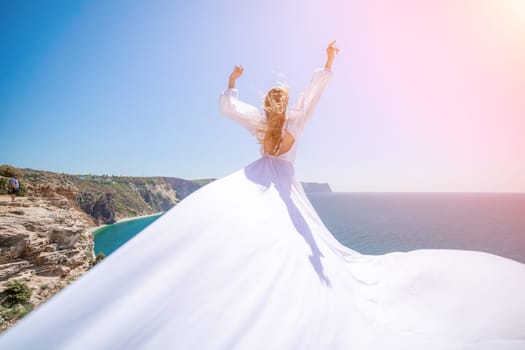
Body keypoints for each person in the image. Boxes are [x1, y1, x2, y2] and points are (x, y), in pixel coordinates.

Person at [1, 41, 525, 350]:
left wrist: (230, 82)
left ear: (265, 103)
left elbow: (229, 109)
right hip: (287, 192)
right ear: (287, 102)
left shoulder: (260, 121)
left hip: (254, 182)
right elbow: (316, 94)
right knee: (296, 251)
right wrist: (328, 61)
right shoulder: (295, 120)